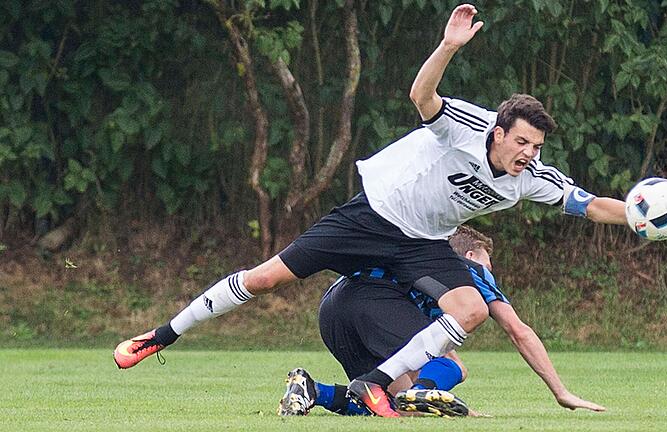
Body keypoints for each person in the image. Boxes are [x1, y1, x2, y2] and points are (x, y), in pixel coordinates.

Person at [114, 4, 627, 418]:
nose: (529, 154)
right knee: (266, 278)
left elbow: (591, 204)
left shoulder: (531, 177)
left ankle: (374, 384)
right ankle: (159, 337)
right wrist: (448, 46)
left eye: (536, 146)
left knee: (470, 309)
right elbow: (421, 95)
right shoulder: (470, 125)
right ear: (499, 131)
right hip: (372, 216)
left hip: (422, 244)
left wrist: (639, 216)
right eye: (522, 142)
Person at [277, 226, 605, 417]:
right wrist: (561, 392)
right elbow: (517, 330)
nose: (491, 270)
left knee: (391, 407)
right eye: (489, 261)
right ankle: (421, 392)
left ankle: (311, 390)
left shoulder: (419, 254)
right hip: (373, 301)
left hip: (333, 309)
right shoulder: (466, 268)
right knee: (452, 366)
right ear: (473, 255)